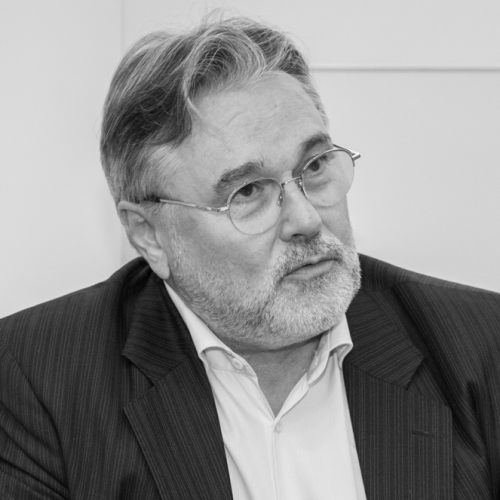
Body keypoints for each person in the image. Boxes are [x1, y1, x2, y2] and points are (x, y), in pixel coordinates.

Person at [1, 14, 499, 500]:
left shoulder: (480, 345)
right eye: (247, 192)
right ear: (150, 235)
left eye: (315, 166)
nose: (306, 219)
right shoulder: (36, 380)